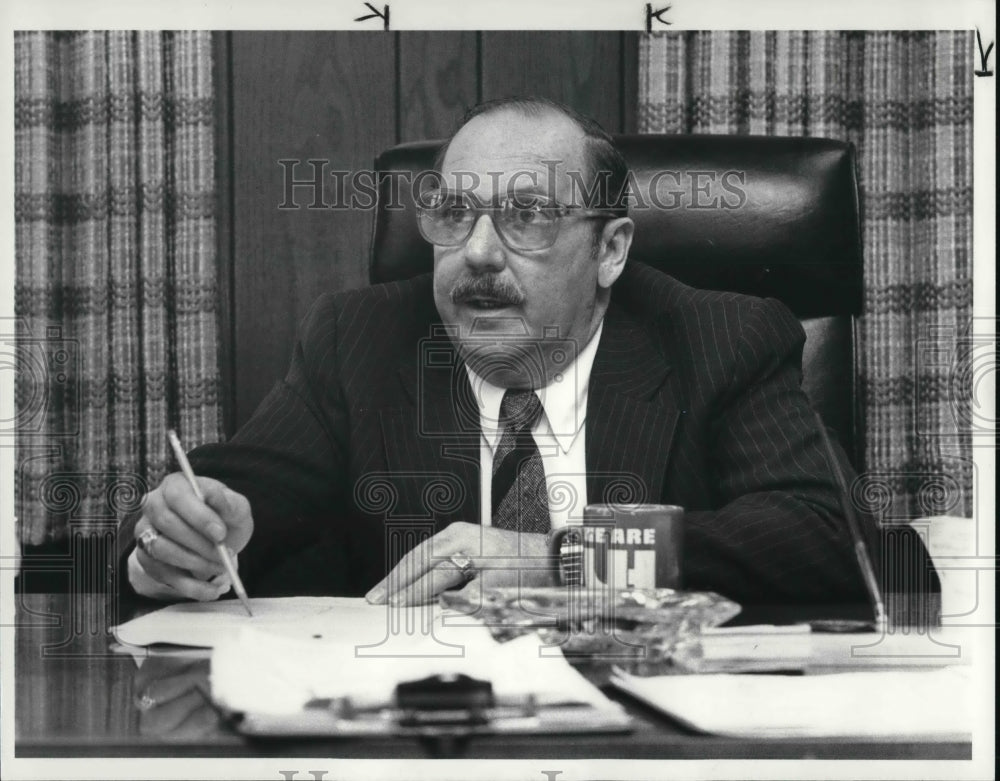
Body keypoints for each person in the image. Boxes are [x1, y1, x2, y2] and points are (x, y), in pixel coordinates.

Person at [117, 97, 877, 608]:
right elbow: (217, 507)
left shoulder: (720, 338)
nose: (477, 253)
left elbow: (832, 538)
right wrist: (172, 544)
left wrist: (566, 556)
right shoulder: (361, 338)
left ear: (610, 250)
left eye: (527, 217)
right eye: (454, 213)